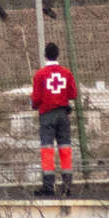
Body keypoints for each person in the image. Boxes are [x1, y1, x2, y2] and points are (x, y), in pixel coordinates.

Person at [31, 42, 78, 196]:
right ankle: (67, 185)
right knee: (65, 148)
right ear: (58, 54)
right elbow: (73, 94)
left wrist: (35, 104)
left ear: (45, 55)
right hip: (63, 115)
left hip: (47, 115)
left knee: (47, 149)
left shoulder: (40, 74)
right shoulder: (66, 73)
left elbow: (36, 98)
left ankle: (48, 186)